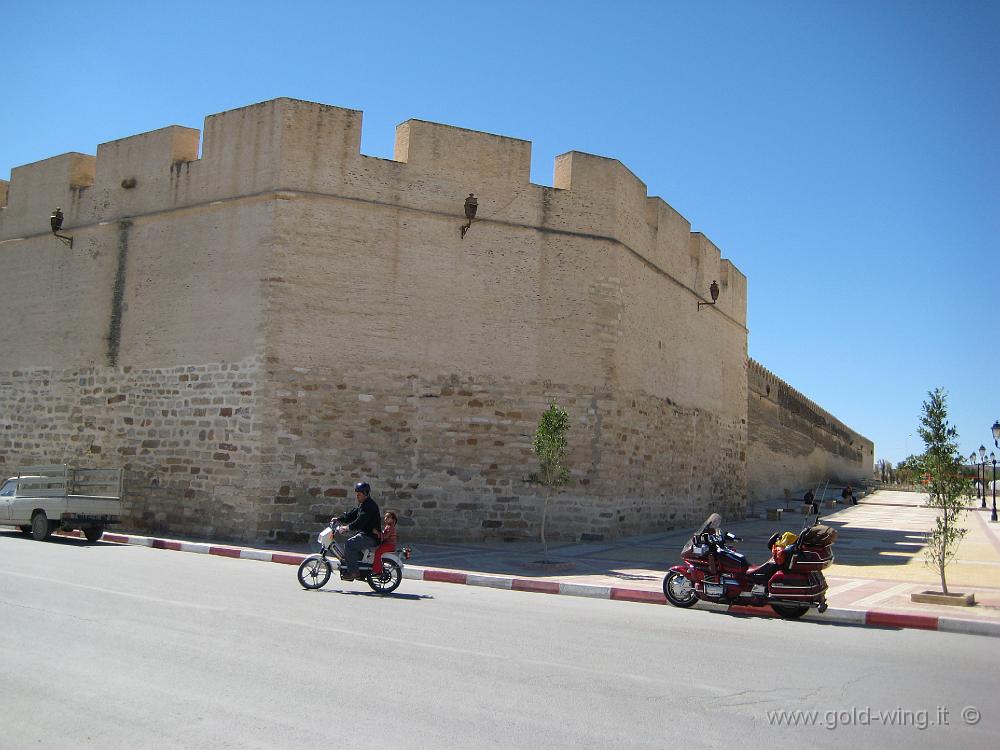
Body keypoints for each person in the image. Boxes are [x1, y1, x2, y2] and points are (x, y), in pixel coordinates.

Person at [332, 482, 381, 581]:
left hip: (371, 536)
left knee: (350, 544)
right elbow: (352, 514)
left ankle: (354, 573)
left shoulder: (369, 506)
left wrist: (347, 528)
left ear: (366, 493)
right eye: (357, 494)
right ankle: (356, 566)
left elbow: (360, 522)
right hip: (365, 534)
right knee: (353, 542)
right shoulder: (363, 504)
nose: (357, 496)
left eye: (359, 494)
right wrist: (339, 519)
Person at [372, 511, 398, 575]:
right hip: (387, 544)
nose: (386, 518)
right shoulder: (388, 526)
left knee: (377, 552)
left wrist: (376, 533)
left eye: (388, 517)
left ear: (393, 519)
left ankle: (377, 570)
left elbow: (385, 536)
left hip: (389, 545)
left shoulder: (390, 527)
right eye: (385, 516)